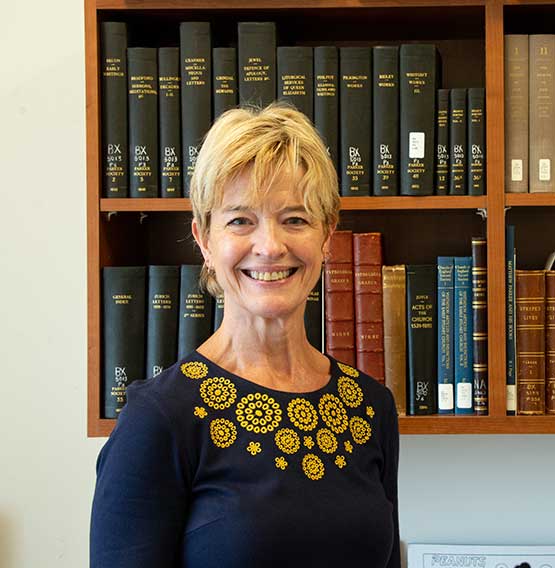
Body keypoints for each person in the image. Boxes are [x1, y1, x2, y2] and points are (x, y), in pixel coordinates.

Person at [90, 104, 400, 567]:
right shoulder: (160, 419)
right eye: (240, 220)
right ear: (204, 240)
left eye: (295, 219)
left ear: (327, 236)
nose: (271, 246)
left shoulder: (370, 406)